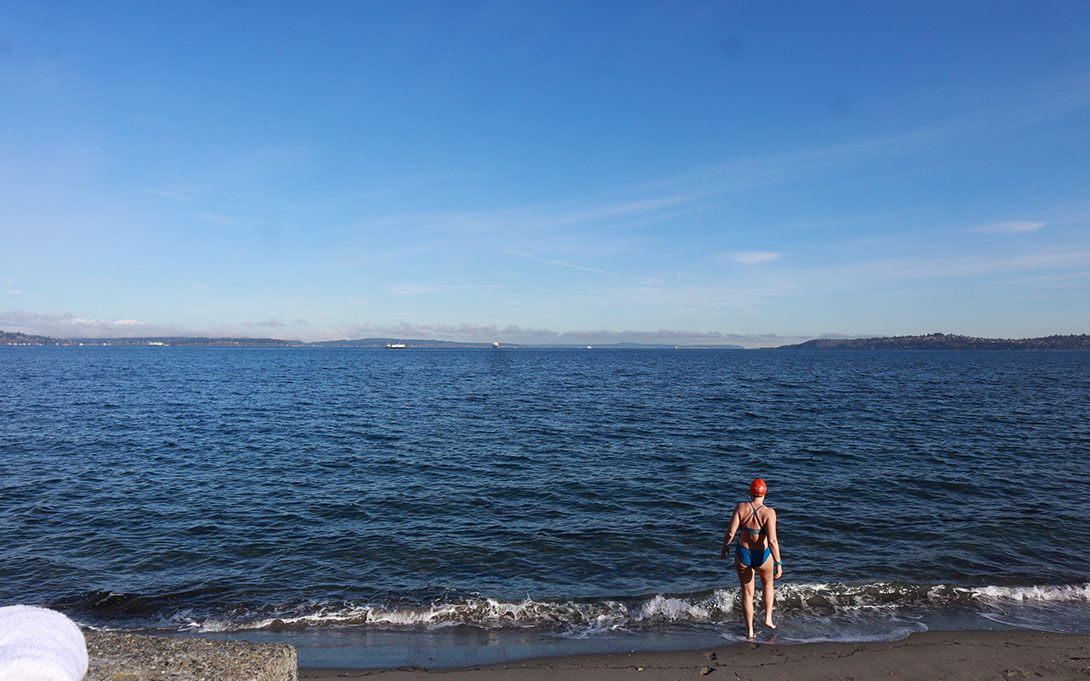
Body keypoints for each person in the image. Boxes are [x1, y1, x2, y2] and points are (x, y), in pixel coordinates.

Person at [720, 477, 782, 639]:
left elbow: (731, 533)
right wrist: (778, 562)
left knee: (747, 593)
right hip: (762, 554)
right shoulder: (769, 512)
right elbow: (773, 540)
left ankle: (750, 631)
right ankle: (768, 618)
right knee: (768, 584)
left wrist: (725, 547)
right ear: (765, 493)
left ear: (750, 492)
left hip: (743, 553)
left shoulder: (741, 508)